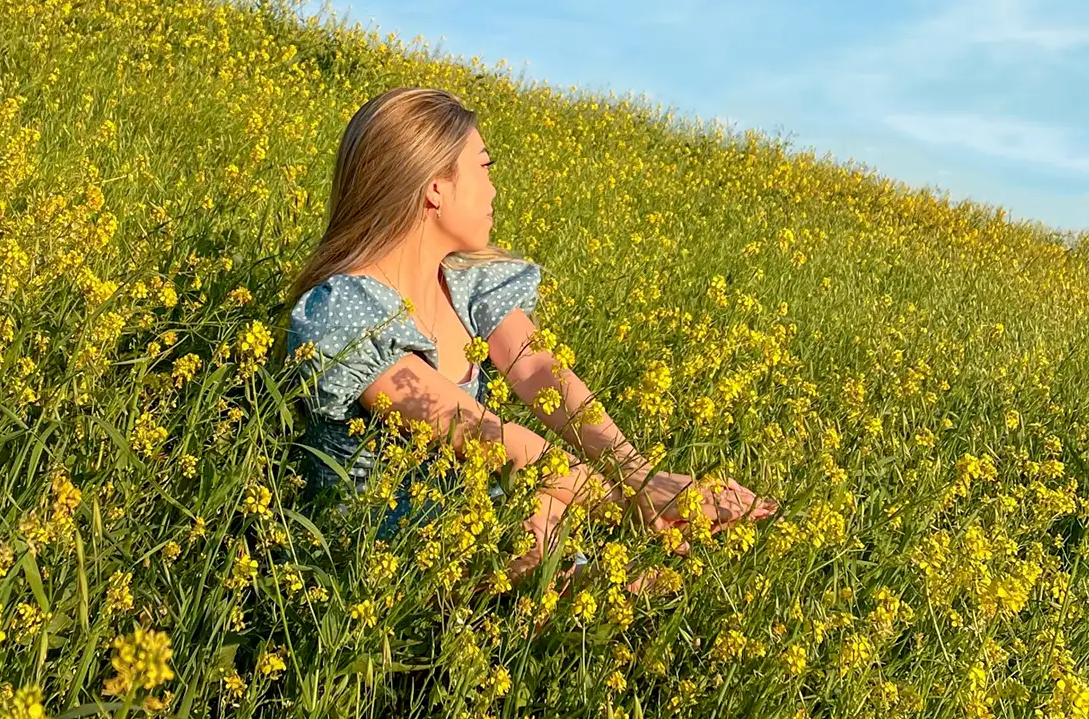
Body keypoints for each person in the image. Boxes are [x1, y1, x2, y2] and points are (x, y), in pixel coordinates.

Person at [281, 86, 775, 591]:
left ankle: (615, 601)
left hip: (464, 505)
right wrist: (630, 499)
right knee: (533, 516)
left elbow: (541, 372)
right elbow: (478, 432)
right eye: (483, 168)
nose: (494, 189)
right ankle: (620, 602)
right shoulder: (345, 310)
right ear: (435, 189)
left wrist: (640, 474)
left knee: (543, 506)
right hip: (378, 545)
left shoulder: (465, 281)